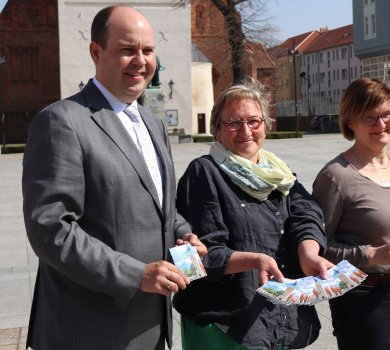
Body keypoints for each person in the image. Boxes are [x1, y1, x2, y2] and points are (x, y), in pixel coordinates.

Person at [21, 5, 202, 349]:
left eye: (147, 50)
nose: (140, 60)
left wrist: (183, 233)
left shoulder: (153, 124)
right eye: (127, 50)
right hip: (88, 330)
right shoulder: (62, 121)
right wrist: (136, 275)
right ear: (96, 51)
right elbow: (50, 230)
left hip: (149, 326)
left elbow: (161, 205)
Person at [173, 80, 333, 349]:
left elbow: (306, 213)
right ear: (217, 131)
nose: (245, 131)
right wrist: (253, 260)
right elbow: (201, 253)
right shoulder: (204, 173)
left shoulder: (279, 173)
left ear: (266, 127)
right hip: (226, 326)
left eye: (254, 121)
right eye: (233, 122)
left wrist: (309, 252)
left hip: (280, 319)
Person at [312, 78, 390, 350]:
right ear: (350, 121)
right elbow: (316, 250)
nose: (381, 124)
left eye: (387, 114)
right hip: (364, 300)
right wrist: (372, 254)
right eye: (369, 117)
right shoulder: (336, 177)